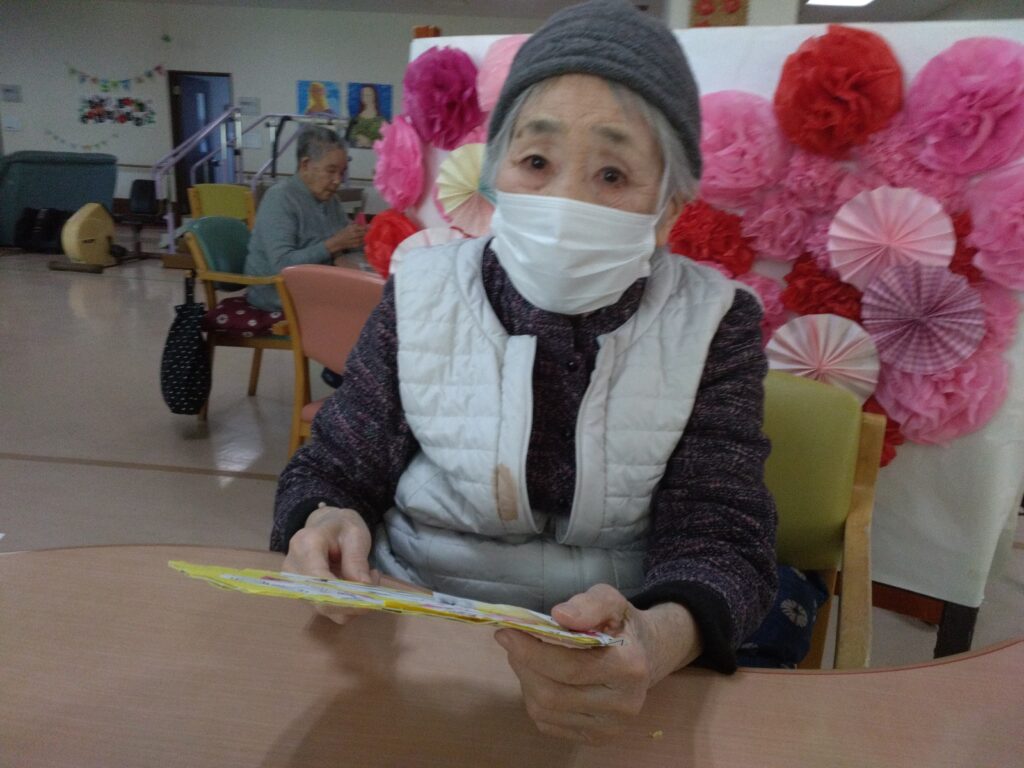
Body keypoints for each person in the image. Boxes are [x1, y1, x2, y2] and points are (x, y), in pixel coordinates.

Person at [271, 0, 777, 743]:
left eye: (613, 173)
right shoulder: (422, 290)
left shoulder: (714, 323)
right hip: (411, 633)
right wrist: (324, 520)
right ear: (497, 170)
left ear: (669, 209)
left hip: (611, 660)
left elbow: (723, 534)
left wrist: (656, 638)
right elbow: (336, 466)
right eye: (536, 162)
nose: (566, 201)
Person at [245, 126, 367, 312]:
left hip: (314, 284)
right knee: (365, 306)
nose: (338, 180)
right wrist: (334, 244)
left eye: (341, 172)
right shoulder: (280, 198)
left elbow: (348, 242)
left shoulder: (331, 200)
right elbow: (281, 265)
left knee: (377, 295)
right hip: (276, 292)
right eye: (331, 171)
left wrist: (364, 236)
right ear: (305, 165)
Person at [345, 84, 385, 149]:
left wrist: (370, 143)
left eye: (368, 95)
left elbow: (387, 142)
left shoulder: (382, 120)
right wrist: (357, 138)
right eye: (363, 95)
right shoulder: (355, 119)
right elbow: (348, 139)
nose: (366, 97)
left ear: (374, 96)